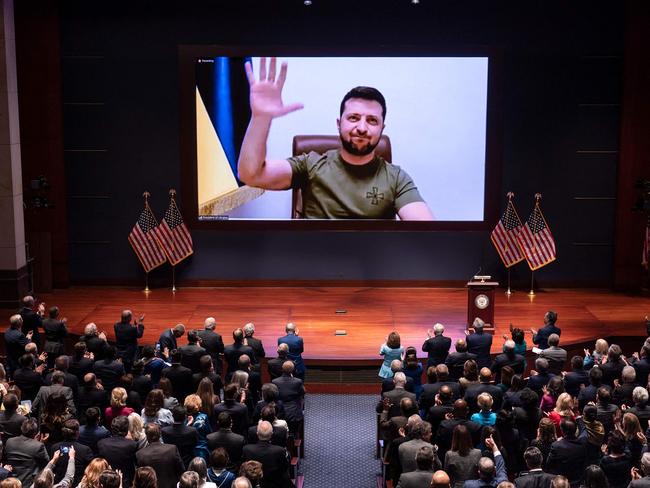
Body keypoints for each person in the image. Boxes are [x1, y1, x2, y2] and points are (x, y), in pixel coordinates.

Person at [237, 57, 433, 220]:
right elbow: (250, 175)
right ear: (339, 124)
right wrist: (260, 118)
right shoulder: (310, 165)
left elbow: (427, 233)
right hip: (317, 263)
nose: (362, 128)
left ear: (382, 128)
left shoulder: (396, 178)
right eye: (354, 118)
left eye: (372, 120)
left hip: (371, 265)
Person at [135, 423, 185, 488]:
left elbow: (139, 478)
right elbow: (181, 470)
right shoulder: (172, 449)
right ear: (160, 434)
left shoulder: (140, 454)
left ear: (147, 436)